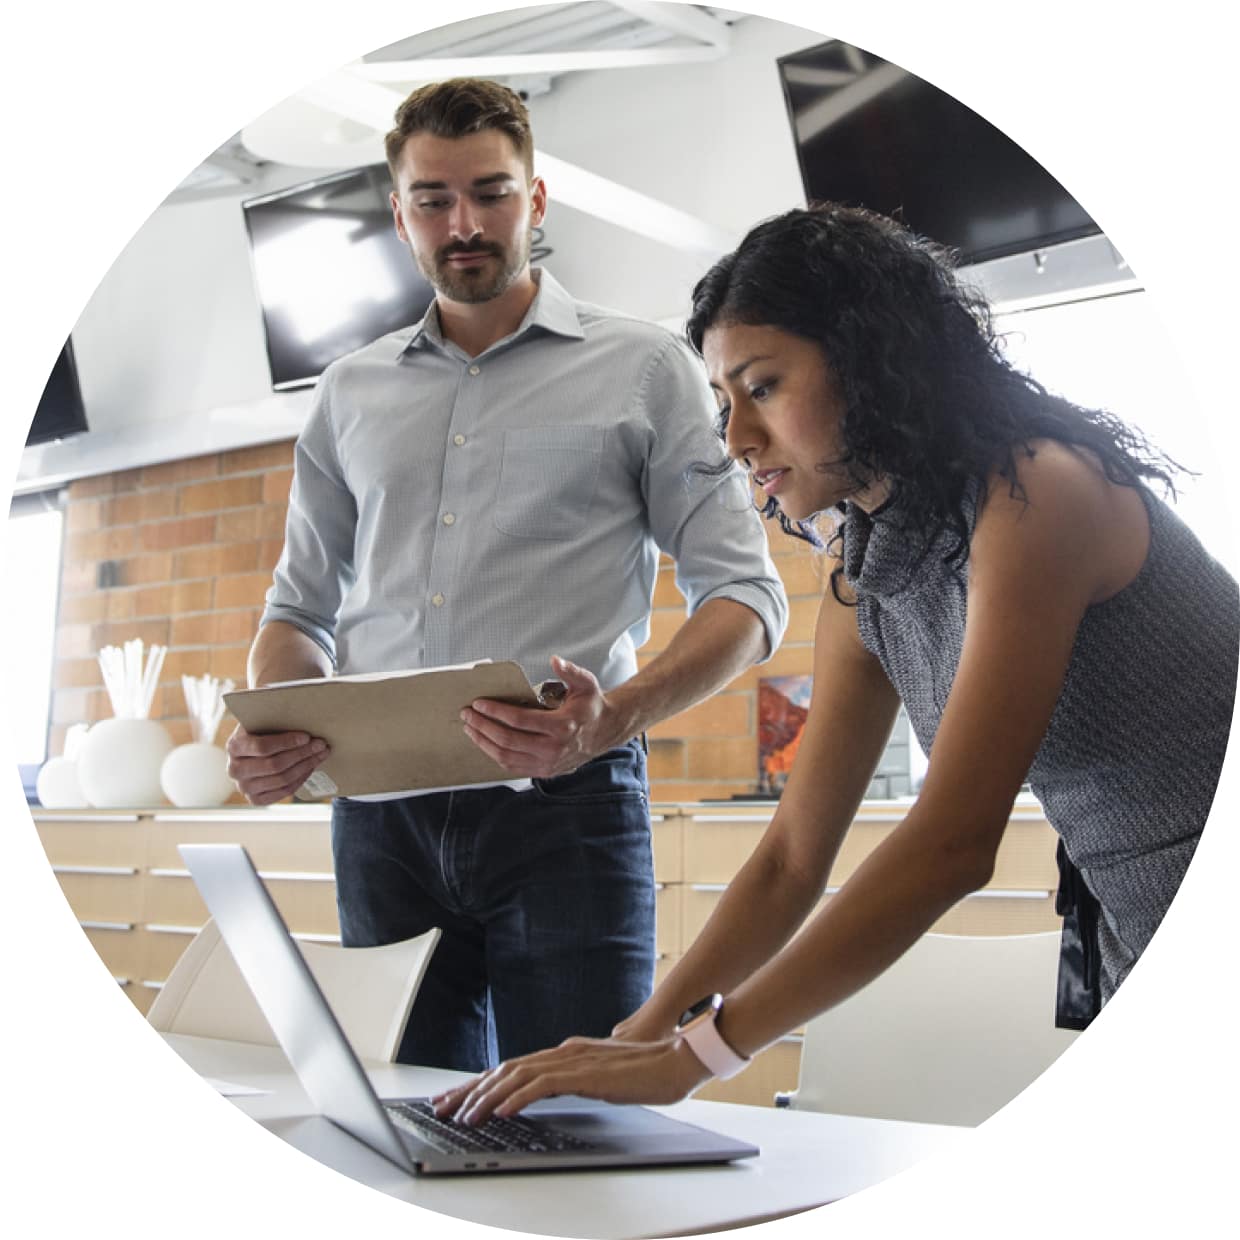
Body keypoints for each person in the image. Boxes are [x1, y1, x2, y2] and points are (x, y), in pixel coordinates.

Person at [431, 202, 1239, 1125]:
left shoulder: (1038, 494)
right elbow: (790, 858)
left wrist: (692, 1057)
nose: (734, 439)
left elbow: (950, 847)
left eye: (762, 387)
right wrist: (636, 1036)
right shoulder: (867, 577)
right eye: (723, 403)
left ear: (871, 362)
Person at [224, 79, 788, 1072]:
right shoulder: (347, 393)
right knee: (403, 1118)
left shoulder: (647, 368)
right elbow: (298, 607)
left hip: (562, 805)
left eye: (490, 192)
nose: (465, 223)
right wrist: (279, 722)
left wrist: (613, 714)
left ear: (535, 200)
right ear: (400, 217)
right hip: (380, 818)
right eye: (434, 200)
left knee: (576, 1122)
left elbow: (746, 595)